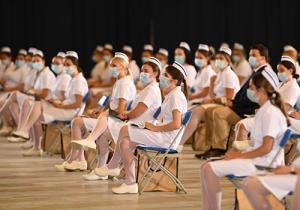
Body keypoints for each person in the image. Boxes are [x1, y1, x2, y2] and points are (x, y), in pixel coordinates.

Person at [200, 71, 288, 210]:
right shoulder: (264, 110)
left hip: (264, 163)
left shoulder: (271, 112)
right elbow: (256, 143)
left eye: (251, 87)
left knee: (209, 168)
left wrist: (238, 156)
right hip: (257, 159)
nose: (248, 91)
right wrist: (235, 153)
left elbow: (266, 147)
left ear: (262, 90)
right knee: (206, 166)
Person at [96, 61, 188, 194]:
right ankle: (130, 182)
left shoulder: (176, 96)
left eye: (165, 75)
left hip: (167, 139)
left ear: (174, 80)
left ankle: (113, 165)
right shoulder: (171, 94)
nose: (161, 77)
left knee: (125, 129)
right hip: (163, 134)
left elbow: (176, 124)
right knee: (125, 142)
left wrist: (153, 128)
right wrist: (150, 126)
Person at [82, 57, 162, 180]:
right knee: (103, 133)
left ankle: (110, 167)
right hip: (133, 122)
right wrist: (122, 114)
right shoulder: (147, 88)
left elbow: (135, 113)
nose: (142, 74)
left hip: (140, 125)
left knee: (109, 128)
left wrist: (123, 114)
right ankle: (102, 168)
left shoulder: (151, 90)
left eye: (146, 71)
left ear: (155, 73)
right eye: (142, 70)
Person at [195, 44, 279, 159]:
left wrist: (233, 103)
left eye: (254, 55)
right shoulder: (257, 71)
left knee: (218, 113)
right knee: (210, 111)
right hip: (239, 106)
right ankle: (212, 146)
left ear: (263, 58)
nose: (251, 58)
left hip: (246, 110)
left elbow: (255, 98)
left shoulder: (264, 74)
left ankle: (220, 149)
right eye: (250, 55)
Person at [59, 52, 136, 171]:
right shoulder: (119, 81)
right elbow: (113, 106)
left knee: (79, 123)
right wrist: (101, 111)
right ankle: (84, 161)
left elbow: (120, 111)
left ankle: (88, 162)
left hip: (116, 122)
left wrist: (105, 113)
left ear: (123, 67)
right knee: (78, 122)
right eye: (111, 65)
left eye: (114, 65)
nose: (111, 68)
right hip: (109, 119)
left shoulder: (125, 83)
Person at [11, 51, 88, 156]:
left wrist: (60, 105)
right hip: (64, 107)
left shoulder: (78, 80)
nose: (65, 67)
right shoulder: (73, 79)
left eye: (68, 65)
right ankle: (34, 144)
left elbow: (77, 105)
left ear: (75, 65)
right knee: (37, 107)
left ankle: (28, 134)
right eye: (64, 64)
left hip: (70, 112)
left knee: (36, 108)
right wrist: (58, 102)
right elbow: (68, 98)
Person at [179, 46, 240, 147]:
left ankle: (180, 143)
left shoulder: (229, 74)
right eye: (217, 58)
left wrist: (211, 99)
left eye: (221, 59)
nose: (218, 61)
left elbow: (229, 98)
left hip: (228, 105)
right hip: (217, 103)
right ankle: (207, 145)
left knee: (195, 113)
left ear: (228, 61)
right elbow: (212, 94)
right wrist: (212, 83)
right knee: (192, 112)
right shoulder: (220, 74)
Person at [242, 142, 300, 210]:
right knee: (249, 183)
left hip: (296, 174)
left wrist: (291, 169)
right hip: (293, 172)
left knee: (252, 185)